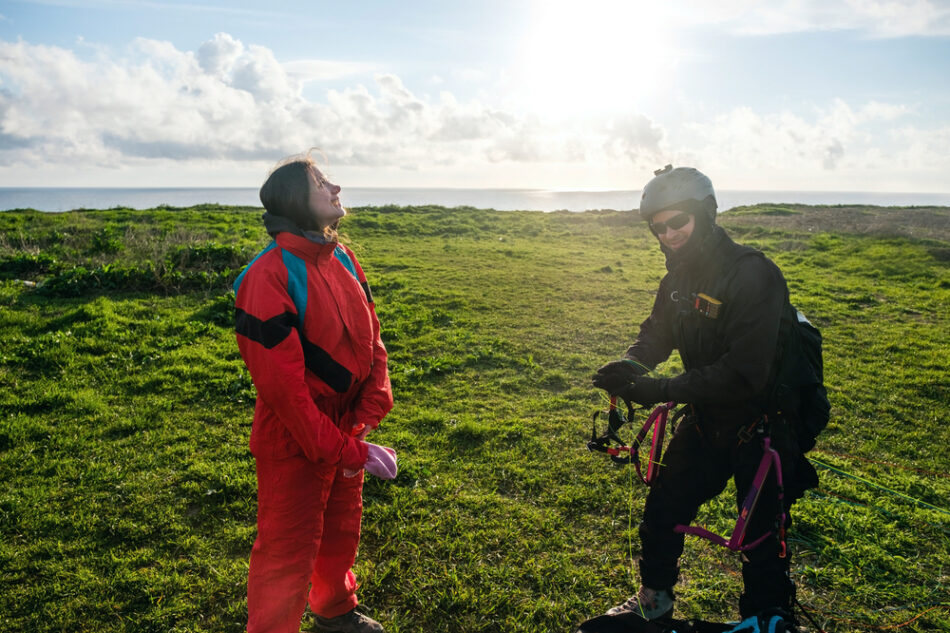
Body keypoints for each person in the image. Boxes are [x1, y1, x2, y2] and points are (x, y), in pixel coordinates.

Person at [591, 165, 818, 627]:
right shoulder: (678, 278)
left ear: (705, 215)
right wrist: (632, 365)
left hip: (764, 425)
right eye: (659, 226)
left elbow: (743, 374)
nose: (669, 234)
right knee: (663, 508)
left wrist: (659, 388)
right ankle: (654, 600)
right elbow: (657, 334)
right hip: (705, 419)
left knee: (760, 532)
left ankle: (767, 617)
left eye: (679, 222)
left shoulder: (753, 274)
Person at [234, 151, 397, 633]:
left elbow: (374, 337)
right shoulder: (266, 277)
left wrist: (368, 411)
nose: (336, 188)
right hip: (294, 435)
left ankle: (335, 612)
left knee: (339, 530)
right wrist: (343, 446)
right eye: (322, 182)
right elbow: (285, 393)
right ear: (295, 201)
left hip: (346, 423)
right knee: (287, 548)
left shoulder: (343, 256)